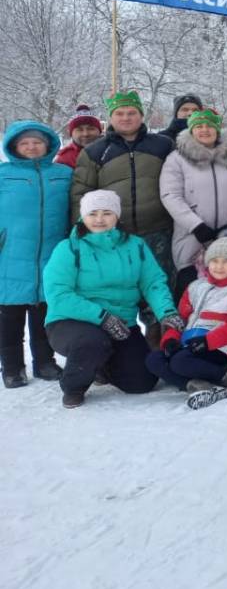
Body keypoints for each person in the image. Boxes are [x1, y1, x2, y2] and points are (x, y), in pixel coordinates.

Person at [42, 190, 183, 408]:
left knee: (141, 382)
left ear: (117, 216)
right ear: (83, 216)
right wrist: (102, 318)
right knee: (93, 342)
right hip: (71, 322)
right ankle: (74, 386)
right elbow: (59, 296)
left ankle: (102, 365)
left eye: (107, 213)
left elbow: (153, 282)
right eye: (93, 213)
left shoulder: (135, 245)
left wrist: (167, 312)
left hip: (122, 324)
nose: (99, 219)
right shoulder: (69, 248)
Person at [71, 90, 176, 344]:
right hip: (113, 236)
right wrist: (81, 231)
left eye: (132, 113)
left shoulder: (162, 145)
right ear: (111, 117)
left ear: (141, 115)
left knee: (157, 289)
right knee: (116, 291)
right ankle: (113, 352)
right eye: (120, 113)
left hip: (157, 231)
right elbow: (81, 194)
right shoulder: (96, 152)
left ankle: (159, 345)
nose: (126, 118)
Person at [145, 236, 227, 407]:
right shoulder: (196, 286)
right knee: (154, 359)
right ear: (207, 262)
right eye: (214, 261)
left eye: (226, 261)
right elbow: (180, 319)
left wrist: (208, 342)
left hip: (222, 348)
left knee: (180, 361)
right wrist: (170, 340)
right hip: (190, 344)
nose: (219, 266)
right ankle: (198, 386)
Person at [0, 121, 72, 386]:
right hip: (9, 255)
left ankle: (44, 363)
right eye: (25, 142)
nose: (31, 146)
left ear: (48, 144)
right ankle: (11, 367)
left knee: (44, 313)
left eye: (37, 142)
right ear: (14, 146)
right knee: (10, 317)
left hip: (52, 255)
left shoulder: (63, 174)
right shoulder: (3, 174)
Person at [159, 108, 227, 299]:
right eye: (199, 126)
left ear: (218, 129)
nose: (205, 130)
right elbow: (170, 195)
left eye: (209, 126)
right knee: (190, 295)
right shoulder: (177, 159)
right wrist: (196, 225)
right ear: (191, 129)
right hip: (192, 238)